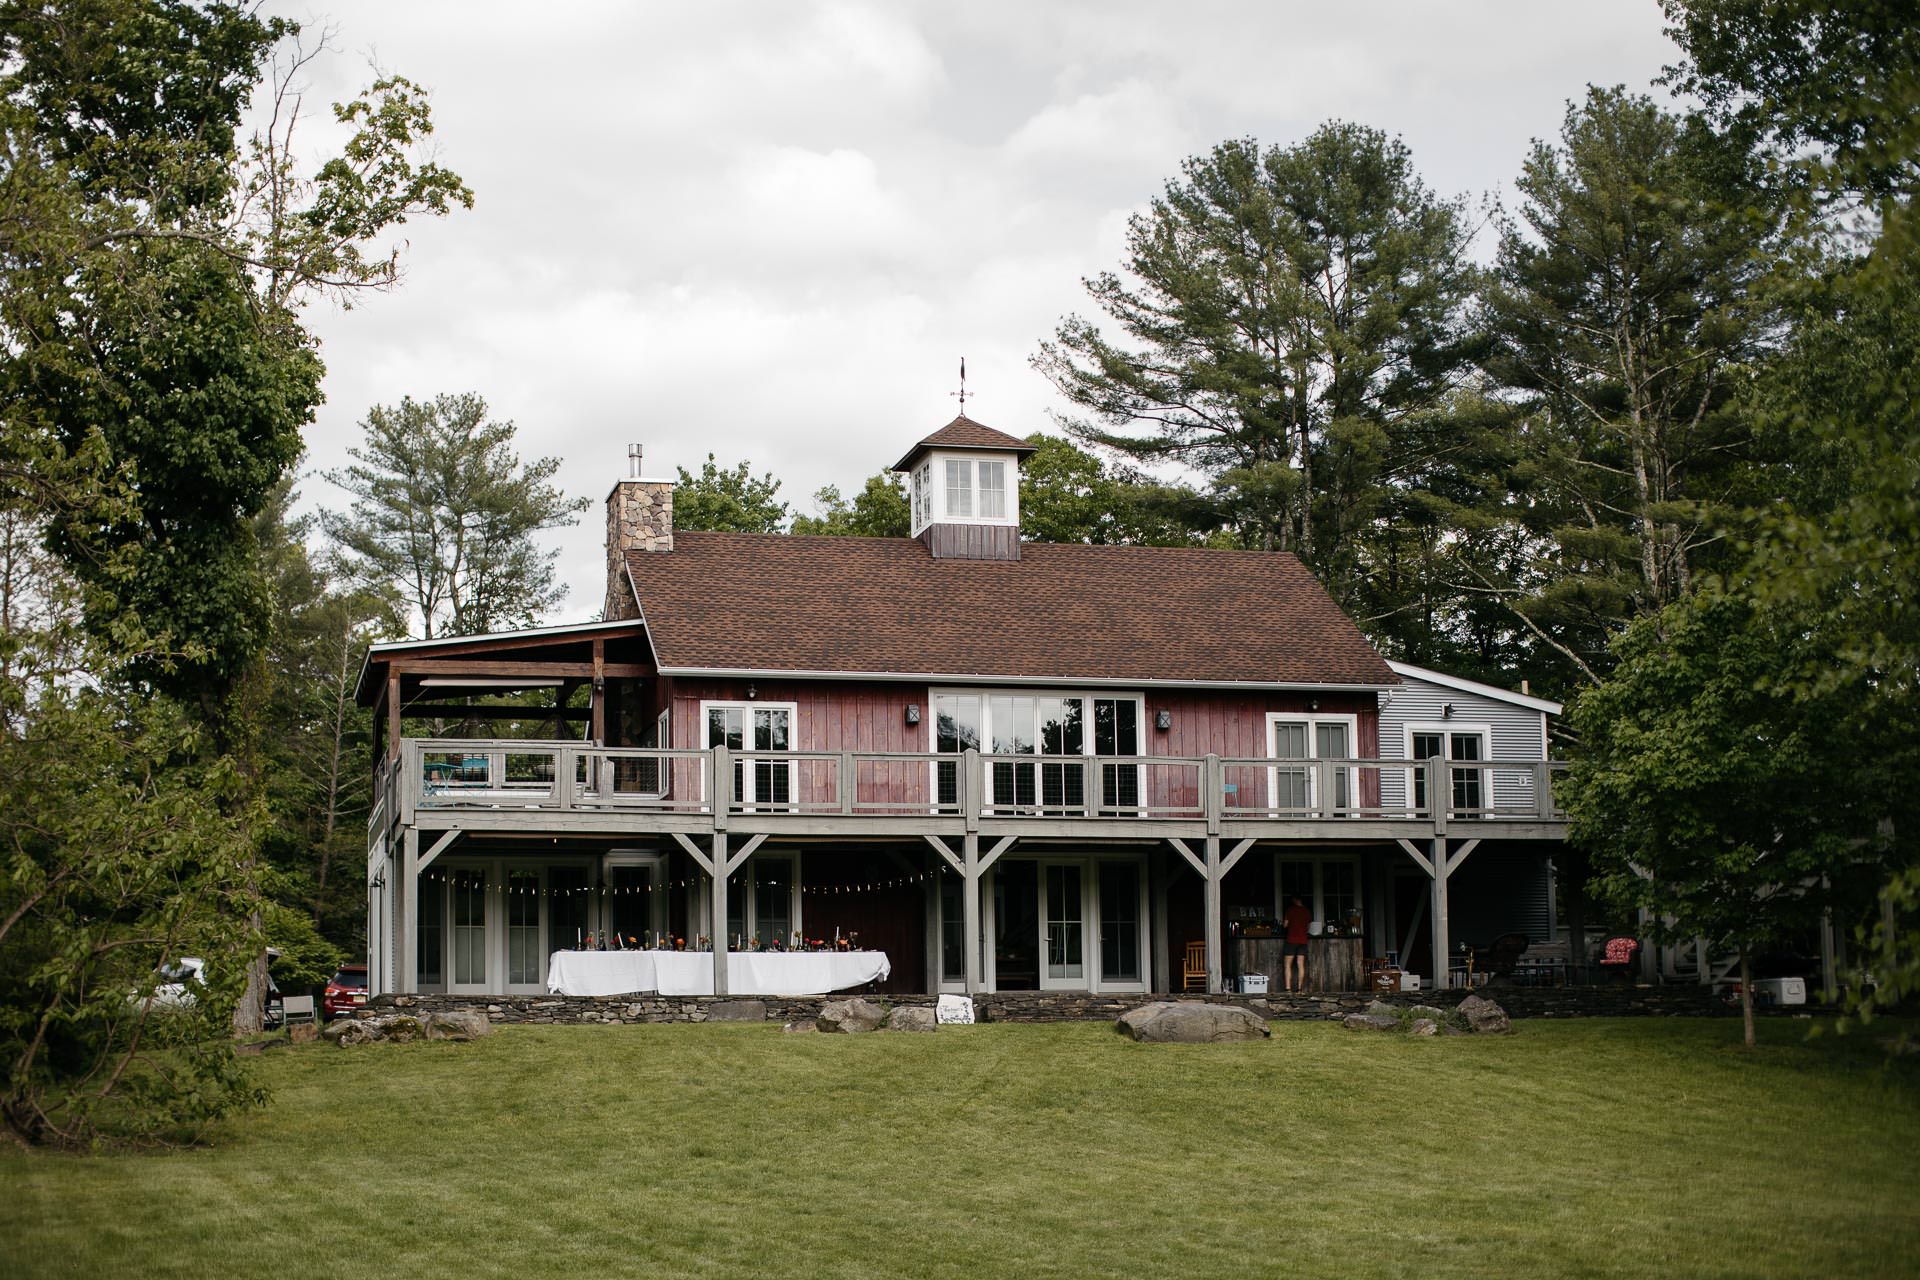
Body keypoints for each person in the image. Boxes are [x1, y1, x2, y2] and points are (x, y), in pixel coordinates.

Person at [1281, 895, 1312, 992]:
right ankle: (1299, 989)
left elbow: (1285, 925)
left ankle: (1288, 989)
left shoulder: (1290, 910)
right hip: (1303, 941)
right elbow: (1308, 927)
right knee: (1301, 965)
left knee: (1287, 965)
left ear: (1296, 899)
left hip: (1291, 940)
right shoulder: (1307, 911)